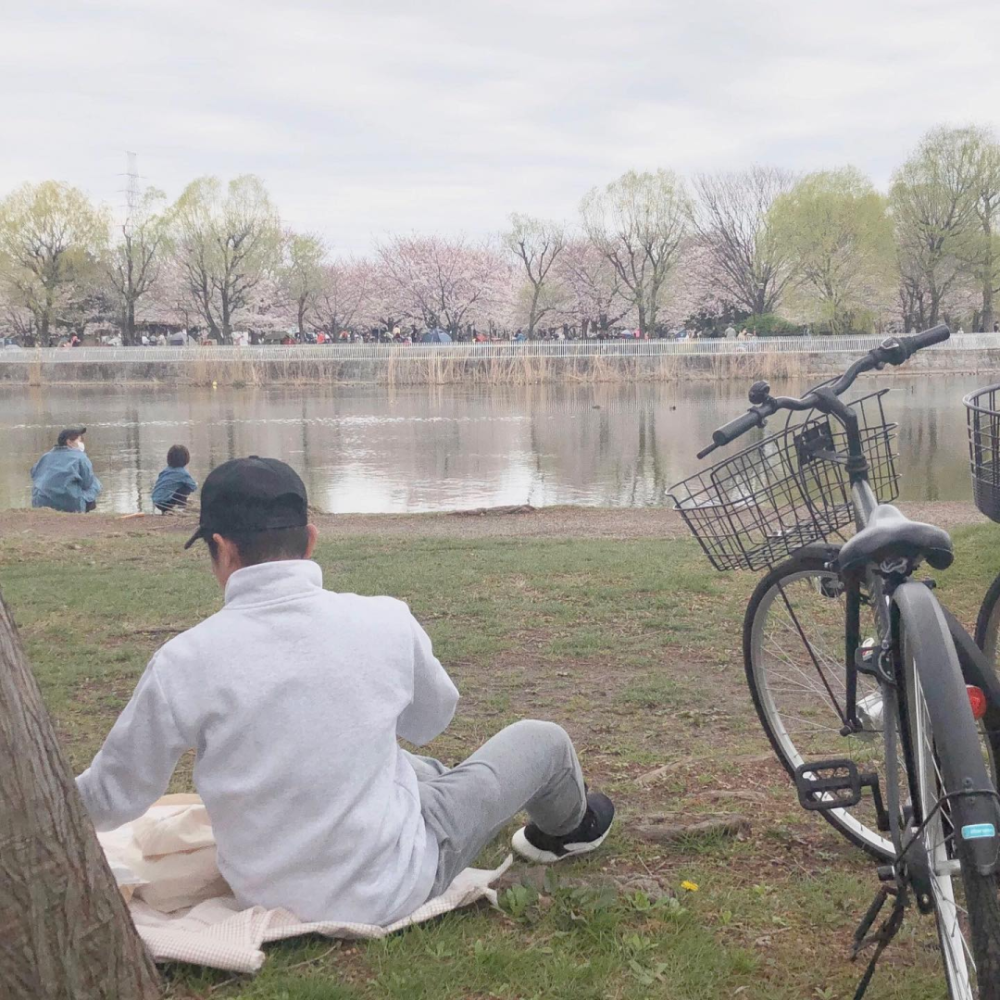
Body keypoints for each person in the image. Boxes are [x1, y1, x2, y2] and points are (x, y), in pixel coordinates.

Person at [74, 457, 615, 925]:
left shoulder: (183, 660)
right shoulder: (383, 619)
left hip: (266, 892)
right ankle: (564, 831)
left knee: (419, 772)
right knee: (541, 740)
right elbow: (431, 722)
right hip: (393, 883)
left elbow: (111, 795)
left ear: (221, 550)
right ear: (309, 540)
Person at [30, 426, 102, 513]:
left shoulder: (46, 456)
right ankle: (81, 509)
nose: (82, 443)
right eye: (79, 440)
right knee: (95, 483)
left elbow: (34, 474)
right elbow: (87, 483)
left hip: (40, 502)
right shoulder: (80, 457)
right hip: (70, 504)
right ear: (69, 442)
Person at [152, 445, 199, 513]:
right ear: (186, 459)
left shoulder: (165, 471)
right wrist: (196, 483)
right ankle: (181, 508)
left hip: (156, 501)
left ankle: (165, 511)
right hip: (166, 503)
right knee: (186, 487)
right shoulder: (183, 473)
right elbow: (193, 487)